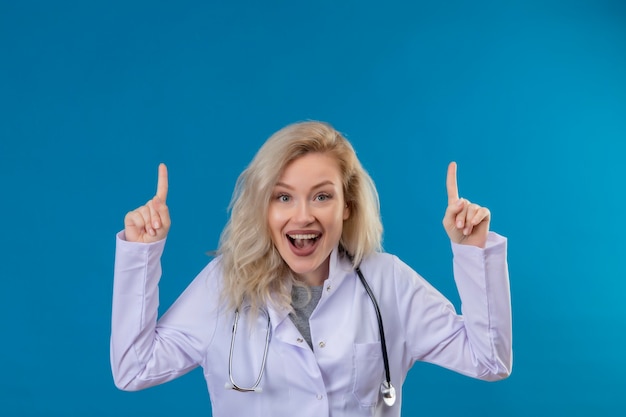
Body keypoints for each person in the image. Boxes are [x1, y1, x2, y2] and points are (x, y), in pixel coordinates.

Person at [111, 121, 512, 417]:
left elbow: (489, 361)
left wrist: (472, 252)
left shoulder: (386, 281)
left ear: (347, 206)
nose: (302, 217)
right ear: (263, 208)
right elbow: (134, 368)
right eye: (283, 197)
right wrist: (142, 255)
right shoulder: (223, 284)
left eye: (322, 196)